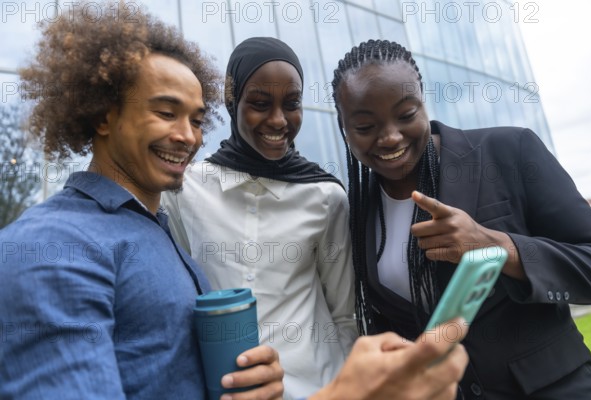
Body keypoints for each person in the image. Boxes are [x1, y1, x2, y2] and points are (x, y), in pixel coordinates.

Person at [0, 4, 469, 400]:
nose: (187, 136)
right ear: (104, 115)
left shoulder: (155, 229)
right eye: (166, 112)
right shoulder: (52, 245)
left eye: (198, 119)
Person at [331, 38, 591, 399]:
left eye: (406, 115)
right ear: (344, 129)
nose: (390, 136)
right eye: (365, 127)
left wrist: (497, 246)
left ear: (423, 102)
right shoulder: (358, 212)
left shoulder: (509, 151)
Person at [162, 37, 357, 398]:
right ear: (232, 102)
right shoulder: (186, 188)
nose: (278, 120)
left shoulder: (326, 197)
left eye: (292, 104)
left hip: (316, 388)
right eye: (260, 104)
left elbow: (343, 315)